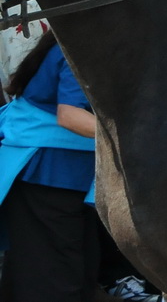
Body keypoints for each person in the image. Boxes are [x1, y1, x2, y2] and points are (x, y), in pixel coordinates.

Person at [0, 31, 99, 302]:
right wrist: (139, 139)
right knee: (53, 278)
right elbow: (70, 116)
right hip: (44, 173)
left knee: (69, 272)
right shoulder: (79, 46)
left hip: (67, 174)